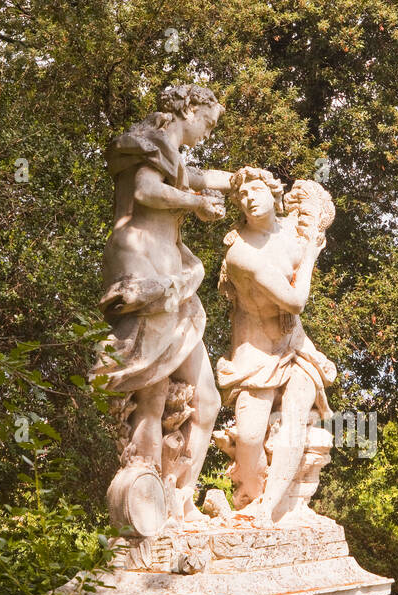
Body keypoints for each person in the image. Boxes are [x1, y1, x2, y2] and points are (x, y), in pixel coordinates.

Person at [94, 85, 231, 525]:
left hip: (173, 271)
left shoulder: (172, 152)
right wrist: (197, 205)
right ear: (189, 108)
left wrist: (241, 179)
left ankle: (179, 499)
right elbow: (148, 191)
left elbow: (197, 177)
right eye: (208, 123)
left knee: (206, 398)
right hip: (144, 262)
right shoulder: (150, 142)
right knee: (151, 391)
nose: (208, 133)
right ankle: (145, 507)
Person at [215, 167, 336, 524]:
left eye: (255, 190)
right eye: (241, 196)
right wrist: (312, 252)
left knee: (297, 415)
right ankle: (252, 499)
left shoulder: (290, 230)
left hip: (295, 345)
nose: (248, 199)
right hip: (254, 351)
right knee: (250, 437)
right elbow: (296, 301)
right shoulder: (240, 253)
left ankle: (270, 509)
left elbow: (314, 205)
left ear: (273, 193)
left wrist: (312, 226)